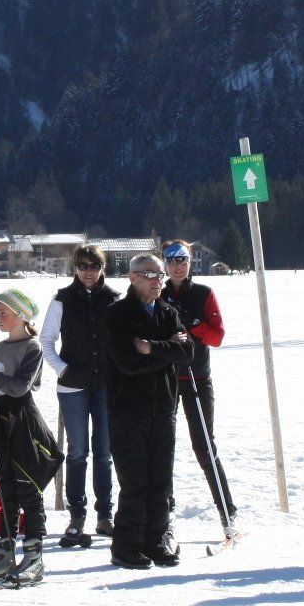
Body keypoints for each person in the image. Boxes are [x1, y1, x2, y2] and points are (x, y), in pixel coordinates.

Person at [103, 253, 193, 570]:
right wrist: (168, 349)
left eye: (159, 275)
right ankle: (126, 546)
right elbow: (128, 363)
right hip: (128, 410)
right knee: (135, 482)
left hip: (164, 409)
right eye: (150, 274)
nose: (157, 281)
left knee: (161, 482)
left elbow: (187, 351)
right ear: (133, 278)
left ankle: (156, 542)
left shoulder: (168, 312)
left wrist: (153, 347)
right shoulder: (117, 315)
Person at [0, 289, 59, 583]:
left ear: (21, 315)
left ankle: (35, 557)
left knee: (28, 488)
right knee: (6, 488)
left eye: (4, 314)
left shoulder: (32, 347)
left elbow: (21, 386)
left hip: (22, 422)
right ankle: (4, 552)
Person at [42, 245, 115, 548]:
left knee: (104, 452)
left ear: (102, 268)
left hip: (105, 385)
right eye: (83, 265)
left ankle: (105, 514)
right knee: (77, 452)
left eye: (94, 266)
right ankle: (77, 514)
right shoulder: (62, 299)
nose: (88, 271)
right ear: (75, 267)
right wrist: (62, 369)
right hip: (73, 386)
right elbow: (47, 340)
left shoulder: (113, 299)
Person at [161, 239, 236, 531]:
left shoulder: (204, 293)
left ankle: (227, 510)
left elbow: (217, 337)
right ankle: (165, 508)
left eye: (182, 260)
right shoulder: (159, 293)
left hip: (197, 378)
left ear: (190, 262)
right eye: (171, 260)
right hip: (166, 379)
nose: (177, 266)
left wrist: (192, 323)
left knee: (203, 445)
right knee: (163, 445)